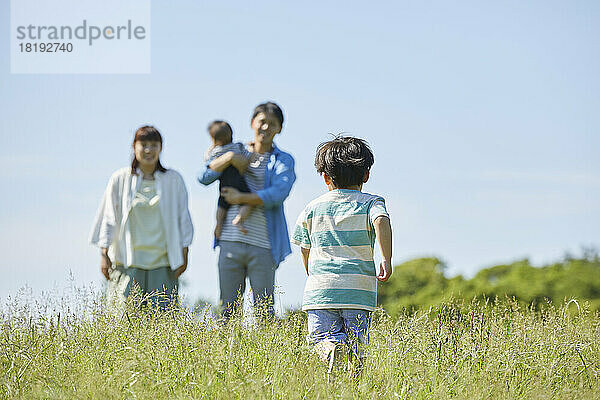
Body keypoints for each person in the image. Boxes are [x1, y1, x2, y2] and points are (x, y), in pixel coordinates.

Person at [291, 136, 392, 374]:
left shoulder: (312, 207)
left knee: (320, 338)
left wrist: (311, 271)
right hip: (358, 289)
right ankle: (354, 384)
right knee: (357, 347)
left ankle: (329, 349)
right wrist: (386, 258)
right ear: (366, 175)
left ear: (325, 177)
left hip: (321, 289)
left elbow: (304, 246)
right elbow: (381, 220)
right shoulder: (371, 203)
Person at [198, 102, 296, 320]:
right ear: (252, 123)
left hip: (264, 246)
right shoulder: (236, 150)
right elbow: (203, 177)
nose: (266, 128)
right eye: (262, 122)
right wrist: (230, 158)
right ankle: (224, 355)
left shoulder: (283, 160)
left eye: (272, 124)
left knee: (264, 313)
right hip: (230, 243)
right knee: (227, 313)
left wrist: (240, 198)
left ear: (279, 128)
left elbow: (278, 193)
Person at [90, 126, 194, 310]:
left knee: (162, 323)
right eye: (143, 144)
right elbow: (108, 217)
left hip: (163, 262)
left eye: (154, 145)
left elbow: (183, 217)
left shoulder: (173, 179)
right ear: (134, 146)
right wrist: (104, 253)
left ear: (161, 148)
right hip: (128, 261)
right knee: (124, 323)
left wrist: (184, 252)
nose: (148, 150)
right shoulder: (120, 179)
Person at [204, 120, 254, 239]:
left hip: (224, 184)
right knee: (249, 201)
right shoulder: (237, 147)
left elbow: (207, 160)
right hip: (238, 181)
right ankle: (239, 219)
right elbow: (247, 157)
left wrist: (212, 146)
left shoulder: (215, 152)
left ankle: (219, 224)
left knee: (221, 206)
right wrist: (252, 149)